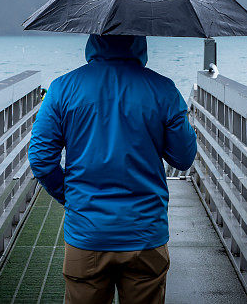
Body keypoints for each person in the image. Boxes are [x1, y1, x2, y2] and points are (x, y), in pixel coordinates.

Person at [28, 34, 198, 304]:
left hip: (87, 232)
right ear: (139, 41)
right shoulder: (163, 89)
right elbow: (184, 157)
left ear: (94, 38)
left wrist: (69, 195)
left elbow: (40, 159)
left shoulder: (62, 88)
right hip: (145, 232)